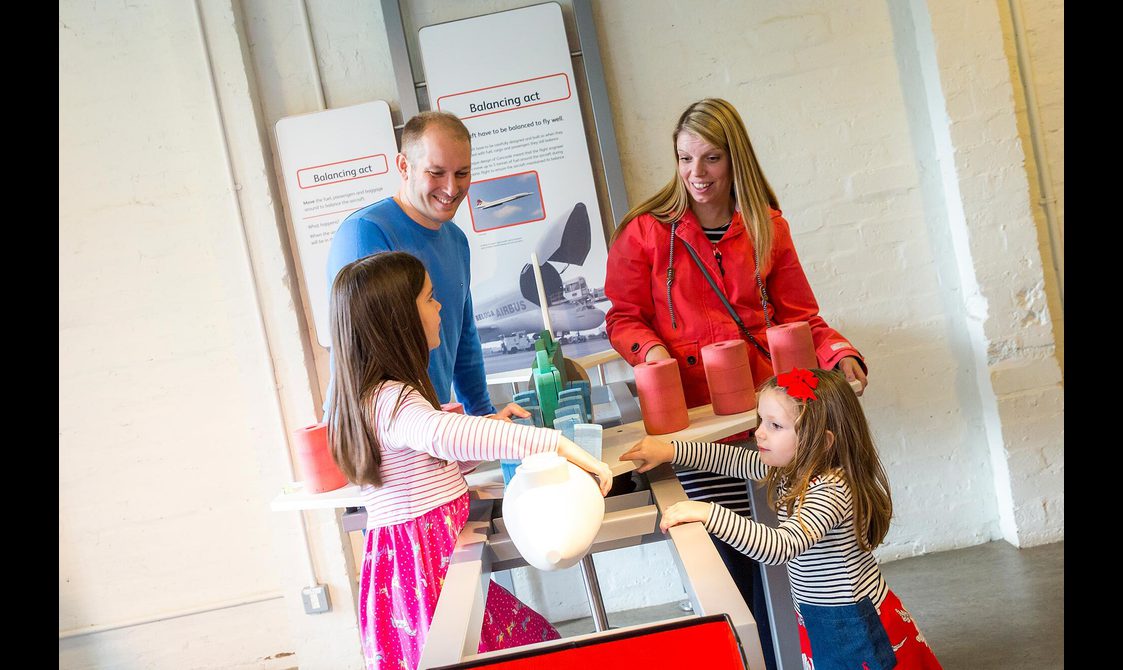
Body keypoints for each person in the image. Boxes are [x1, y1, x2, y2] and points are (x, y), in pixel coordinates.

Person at [604, 98, 869, 665]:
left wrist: (840, 352)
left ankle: (790, 656)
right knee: (728, 565)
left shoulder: (766, 226)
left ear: (736, 159)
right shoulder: (644, 234)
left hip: (767, 420)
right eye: (685, 159)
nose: (697, 175)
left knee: (788, 557)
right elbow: (621, 317)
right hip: (697, 423)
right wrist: (649, 350)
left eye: (711, 159)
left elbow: (801, 316)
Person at [327, 251, 613, 669]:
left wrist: (491, 425)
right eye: (429, 298)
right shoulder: (394, 400)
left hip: (420, 580)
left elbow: (427, 461)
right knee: (535, 648)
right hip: (430, 583)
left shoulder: (374, 399)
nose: (440, 306)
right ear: (398, 320)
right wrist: (553, 444)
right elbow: (442, 435)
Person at [622, 369, 941, 669]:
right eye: (761, 421)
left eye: (775, 426)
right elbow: (736, 459)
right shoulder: (795, 469)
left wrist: (709, 512)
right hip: (821, 614)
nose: (759, 433)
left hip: (851, 620)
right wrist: (670, 451)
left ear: (823, 440)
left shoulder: (831, 488)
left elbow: (780, 545)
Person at [327, 111, 521, 419]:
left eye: (462, 174)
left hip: (431, 430)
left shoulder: (456, 241)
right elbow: (364, 354)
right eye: (436, 173)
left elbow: (462, 336)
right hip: (380, 440)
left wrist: (483, 416)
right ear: (404, 166)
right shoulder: (365, 232)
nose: (451, 189)